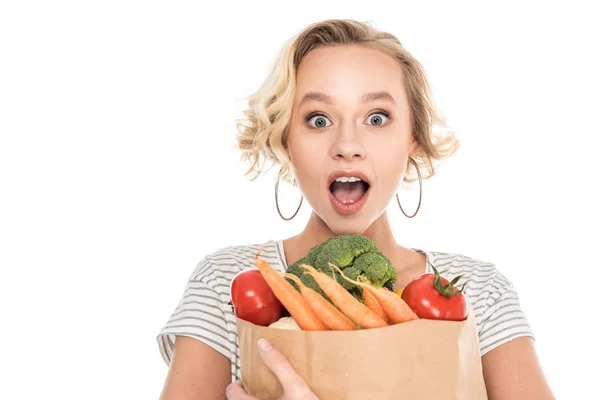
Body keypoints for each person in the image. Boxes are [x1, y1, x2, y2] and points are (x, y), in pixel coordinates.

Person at [156, 19, 554, 399]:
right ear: (284, 140)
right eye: (318, 119)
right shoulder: (226, 284)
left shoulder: (478, 294)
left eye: (377, 118)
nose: (347, 144)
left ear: (413, 138)